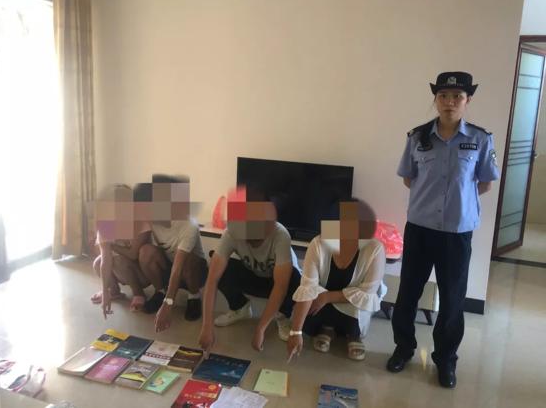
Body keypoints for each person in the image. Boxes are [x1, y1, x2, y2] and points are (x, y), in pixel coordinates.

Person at [387, 72, 500, 388]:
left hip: (457, 233)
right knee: (408, 294)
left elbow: (485, 183)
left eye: (457, 96)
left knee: (452, 300)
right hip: (420, 229)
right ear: (436, 99)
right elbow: (409, 178)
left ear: (467, 100)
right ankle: (403, 349)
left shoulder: (480, 139)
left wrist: (457, 204)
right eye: (443, 96)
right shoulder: (417, 137)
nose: (450, 102)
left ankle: (446, 362)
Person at [199, 186, 302, 354]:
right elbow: (212, 279)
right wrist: (206, 326)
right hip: (254, 276)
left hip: (277, 283)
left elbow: (281, 287)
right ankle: (240, 308)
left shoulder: (280, 234)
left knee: (295, 279)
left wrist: (260, 329)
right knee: (219, 267)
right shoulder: (232, 232)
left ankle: (282, 315)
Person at [286, 200, 387, 362]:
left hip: (352, 303)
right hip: (322, 300)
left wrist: (326, 297)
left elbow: (366, 292)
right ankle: (328, 327)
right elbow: (307, 287)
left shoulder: (375, 249)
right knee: (309, 312)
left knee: (354, 313)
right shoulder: (318, 243)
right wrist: (295, 332)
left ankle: (352, 335)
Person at [134, 175, 209, 331]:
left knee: (188, 260)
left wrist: (168, 304)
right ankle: (160, 292)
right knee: (145, 251)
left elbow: (178, 266)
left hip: (195, 271)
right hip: (170, 263)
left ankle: (194, 297)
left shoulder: (189, 225)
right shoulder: (149, 219)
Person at [90, 184, 151, 315]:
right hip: (120, 270)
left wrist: (111, 245)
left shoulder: (141, 222)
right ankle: (113, 291)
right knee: (98, 262)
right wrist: (104, 292)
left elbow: (133, 254)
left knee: (118, 260)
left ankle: (138, 293)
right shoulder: (105, 225)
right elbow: (105, 260)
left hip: (143, 274)